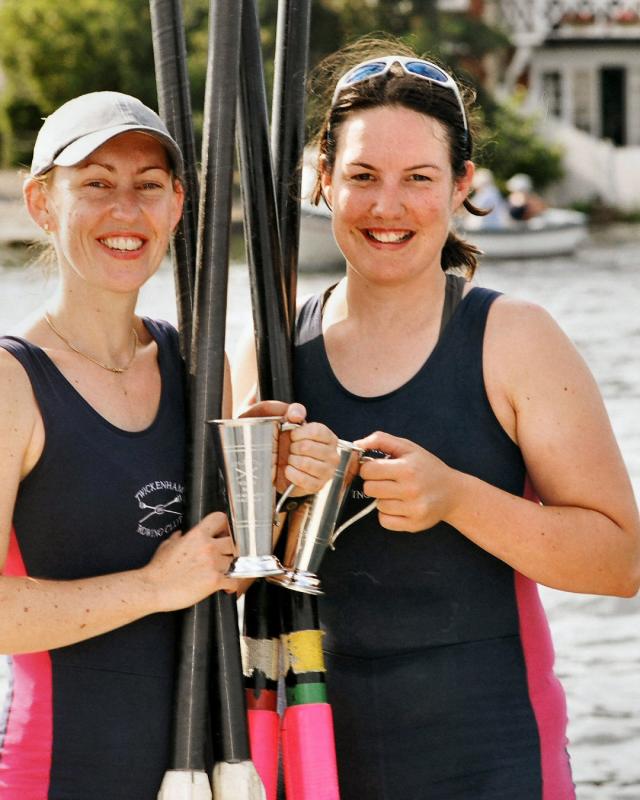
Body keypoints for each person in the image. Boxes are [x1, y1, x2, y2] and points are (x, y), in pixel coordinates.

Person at [255, 38, 639, 799]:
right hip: (316, 760)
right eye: (361, 176)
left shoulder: (515, 339)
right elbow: (226, 575)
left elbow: (621, 563)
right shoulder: (267, 349)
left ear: (462, 184)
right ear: (323, 179)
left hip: (494, 758)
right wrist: (263, 495)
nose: (387, 206)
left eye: (418, 179)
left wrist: (456, 498)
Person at [0, 91, 338, 799]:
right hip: (60, 771)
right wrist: (154, 587)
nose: (126, 211)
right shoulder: (12, 381)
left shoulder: (195, 364)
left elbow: (227, 575)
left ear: (177, 207)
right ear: (41, 203)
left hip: (208, 765)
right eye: (96, 184)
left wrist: (275, 483)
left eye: (148, 186)